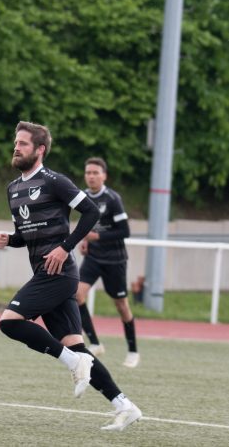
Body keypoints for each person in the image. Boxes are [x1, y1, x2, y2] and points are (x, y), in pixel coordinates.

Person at [0, 122, 142, 431]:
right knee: (76, 346)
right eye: (15, 143)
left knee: (9, 322)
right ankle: (124, 406)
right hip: (44, 271)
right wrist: (10, 239)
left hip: (60, 274)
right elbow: (25, 235)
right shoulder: (13, 189)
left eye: (23, 143)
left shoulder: (55, 181)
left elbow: (91, 212)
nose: (16, 148)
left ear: (40, 150)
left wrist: (65, 247)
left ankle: (74, 363)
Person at [76, 157, 139, 368]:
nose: (91, 176)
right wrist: (85, 241)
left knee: (121, 305)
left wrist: (98, 237)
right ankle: (95, 343)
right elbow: (86, 225)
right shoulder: (83, 197)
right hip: (93, 258)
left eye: (95, 173)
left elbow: (125, 231)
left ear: (104, 176)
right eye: (88, 173)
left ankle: (133, 351)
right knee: (77, 295)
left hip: (114, 260)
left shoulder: (112, 198)